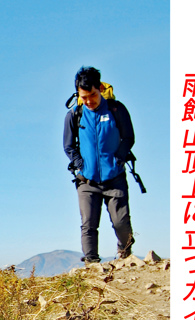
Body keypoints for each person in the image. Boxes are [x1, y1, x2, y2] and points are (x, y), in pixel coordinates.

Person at [63, 66, 135, 264]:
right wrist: (80, 164)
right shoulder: (74, 115)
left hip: (115, 178)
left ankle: (124, 254)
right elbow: (68, 146)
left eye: (92, 95)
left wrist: (118, 158)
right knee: (88, 224)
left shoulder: (116, 109)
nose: (88, 101)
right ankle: (92, 264)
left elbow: (128, 137)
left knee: (121, 223)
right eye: (83, 97)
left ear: (100, 89)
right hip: (87, 180)